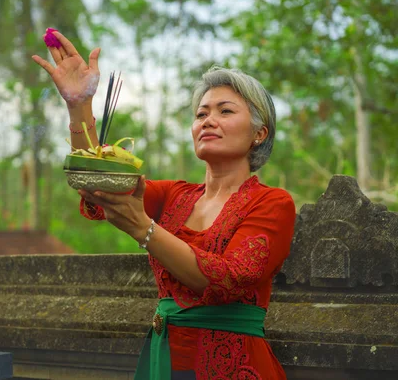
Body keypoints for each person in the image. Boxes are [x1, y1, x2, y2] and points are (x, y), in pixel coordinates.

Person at [32, 31, 295, 380]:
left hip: (235, 366)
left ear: (259, 134)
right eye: (201, 114)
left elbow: (229, 280)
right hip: (164, 360)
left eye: (225, 111)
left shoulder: (272, 203)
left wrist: (144, 230)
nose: (208, 120)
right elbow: (98, 185)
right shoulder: (174, 195)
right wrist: (79, 104)